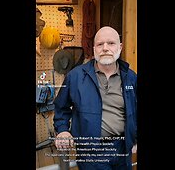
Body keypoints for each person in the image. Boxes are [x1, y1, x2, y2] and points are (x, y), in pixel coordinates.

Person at [53, 26, 137, 170]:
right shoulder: (75, 76)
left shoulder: (131, 77)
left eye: (111, 43)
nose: (105, 48)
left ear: (120, 47)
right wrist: (62, 130)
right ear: (94, 49)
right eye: (100, 44)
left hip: (123, 149)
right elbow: (61, 107)